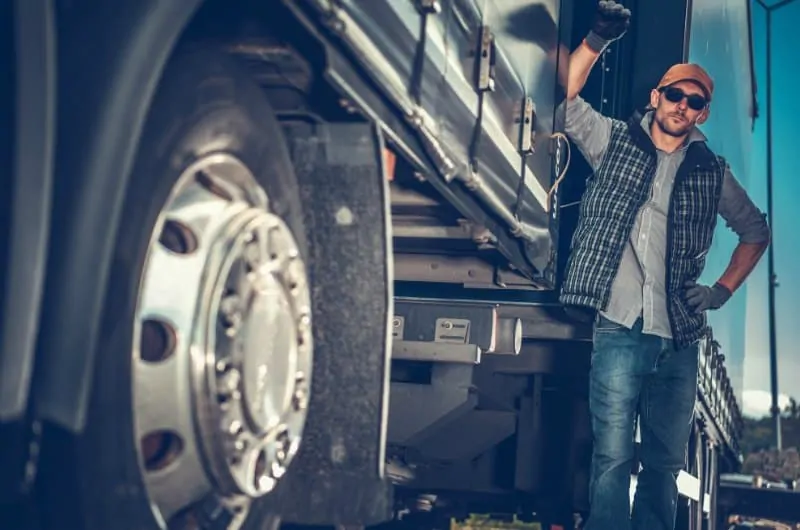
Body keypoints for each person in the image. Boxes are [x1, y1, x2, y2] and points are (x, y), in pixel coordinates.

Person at [558, 2, 771, 529]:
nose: (681, 104)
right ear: (657, 97)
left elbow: (755, 231)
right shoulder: (613, 140)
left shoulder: (712, 171)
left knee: (665, 464)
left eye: (693, 100)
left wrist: (721, 290)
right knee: (610, 459)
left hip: (679, 337)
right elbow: (565, 99)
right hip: (618, 324)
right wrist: (596, 41)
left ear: (701, 113)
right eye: (674, 93)